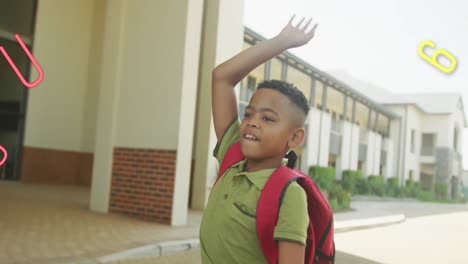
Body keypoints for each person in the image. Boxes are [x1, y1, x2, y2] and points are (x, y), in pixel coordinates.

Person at [200, 15, 319, 264]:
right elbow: (221, 77)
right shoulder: (232, 155)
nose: (253, 122)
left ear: (294, 137)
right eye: (249, 114)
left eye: (268, 119)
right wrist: (281, 41)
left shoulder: (290, 195)